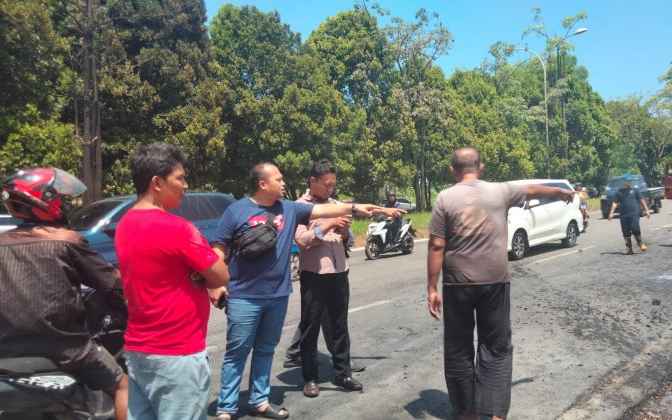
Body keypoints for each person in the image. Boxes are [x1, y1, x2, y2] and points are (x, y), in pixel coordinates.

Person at [212, 162, 403, 420]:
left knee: (266, 350)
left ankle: (258, 400)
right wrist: (214, 283)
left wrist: (360, 208)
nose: (283, 183)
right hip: (245, 296)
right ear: (262, 184)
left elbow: (329, 209)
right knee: (238, 351)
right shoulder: (236, 211)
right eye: (278, 179)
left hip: (278, 294)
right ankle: (226, 408)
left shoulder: (289, 209)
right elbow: (218, 250)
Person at [427, 147, 574, 420]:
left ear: (453, 170)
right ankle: (494, 414)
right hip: (494, 281)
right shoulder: (500, 191)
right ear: (480, 167)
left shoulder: (444, 198)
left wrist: (431, 288)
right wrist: (561, 192)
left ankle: (468, 413)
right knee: (496, 347)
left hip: (457, 283)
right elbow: (531, 189)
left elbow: (436, 245)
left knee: (458, 347)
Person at [0, 167, 128, 420]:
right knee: (122, 386)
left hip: (6, 352)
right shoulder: (65, 240)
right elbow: (110, 279)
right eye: (62, 199)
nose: (66, 205)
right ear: (44, 201)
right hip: (66, 350)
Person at [115, 143, 230, 420]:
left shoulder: (124, 224)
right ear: (157, 182)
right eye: (180, 178)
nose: (186, 185)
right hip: (176, 353)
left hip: (138, 349)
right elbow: (221, 275)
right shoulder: (177, 228)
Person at [287, 159, 366, 398]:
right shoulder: (299, 207)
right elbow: (302, 240)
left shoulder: (335, 204)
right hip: (315, 274)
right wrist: (329, 224)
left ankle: (343, 373)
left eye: (333, 185)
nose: (330, 189)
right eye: (327, 185)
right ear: (313, 181)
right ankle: (310, 378)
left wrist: (344, 233)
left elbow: (349, 241)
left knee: (340, 325)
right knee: (310, 328)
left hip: (340, 272)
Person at [608, 175, 650, 255]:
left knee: (635, 229)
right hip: (623, 215)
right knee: (626, 232)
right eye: (627, 180)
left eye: (630, 180)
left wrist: (646, 210)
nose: (629, 182)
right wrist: (611, 213)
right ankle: (629, 249)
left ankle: (640, 243)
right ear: (622, 181)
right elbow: (615, 203)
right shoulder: (618, 192)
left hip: (634, 213)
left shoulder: (635, 190)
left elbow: (641, 200)